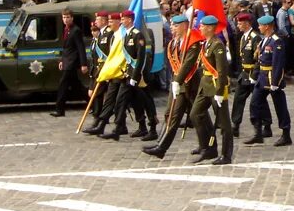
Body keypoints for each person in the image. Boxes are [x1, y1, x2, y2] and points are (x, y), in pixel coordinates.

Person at [142, 15, 202, 159]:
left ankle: (208, 145)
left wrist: (177, 81)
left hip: (189, 84)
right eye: (172, 25)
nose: (172, 28)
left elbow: (188, 64)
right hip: (177, 83)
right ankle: (161, 146)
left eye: (175, 25)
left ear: (184, 26)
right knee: (170, 114)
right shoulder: (175, 42)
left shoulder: (192, 42)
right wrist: (175, 82)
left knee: (198, 116)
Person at [190, 15, 234, 165]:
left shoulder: (217, 45)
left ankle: (226, 154)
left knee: (223, 123)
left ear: (209, 28)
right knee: (195, 114)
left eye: (202, 26)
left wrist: (220, 92)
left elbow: (222, 71)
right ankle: (208, 147)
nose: (200, 28)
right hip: (205, 86)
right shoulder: (206, 43)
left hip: (216, 87)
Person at [100, 11, 148, 141]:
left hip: (134, 76)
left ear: (130, 20)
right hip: (126, 74)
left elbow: (140, 58)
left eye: (124, 19)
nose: (121, 21)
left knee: (122, 101)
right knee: (136, 101)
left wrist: (134, 76)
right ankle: (142, 126)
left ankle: (118, 129)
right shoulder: (126, 35)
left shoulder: (137, 35)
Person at [248, 15, 292, 147]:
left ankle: (286, 134)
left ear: (267, 26)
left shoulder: (276, 41)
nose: (259, 27)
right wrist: (254, 75)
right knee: (255, 103)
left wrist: (275, 82)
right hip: (262, 77)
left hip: (272, 78)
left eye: (260, 25)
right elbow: (260, 59)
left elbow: (278, 63)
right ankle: (259, 132)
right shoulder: (264, 40)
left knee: (280, 106)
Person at [51, 8, 88, 117]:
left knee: (63, 84)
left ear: (72, 18)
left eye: (68, 17)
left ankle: (59, 109)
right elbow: (66, 48)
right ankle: (95, 104)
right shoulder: (66, 30)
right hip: (67, 61)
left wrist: (83, 64)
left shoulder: (76, 30)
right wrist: (62, 60)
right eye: (64, 17)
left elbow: (81, 48)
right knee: (77, 87)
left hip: (72, 62)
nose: (66, 19)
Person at [231, 13, 258, 138]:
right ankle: (235, 125)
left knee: (258, 102)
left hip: (253, 74)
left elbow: (258, 59)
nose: (238, 25)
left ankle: (265, 126)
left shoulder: (254, 37)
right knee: (238, 99)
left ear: (247, 23)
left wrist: (254, 75)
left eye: (240, 23)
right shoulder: (243, 37)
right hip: (244, 74)